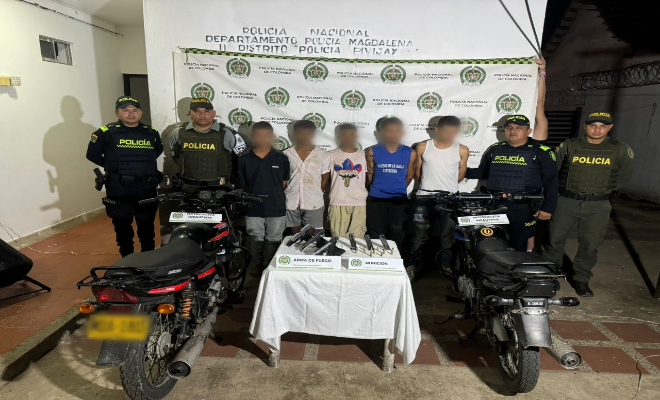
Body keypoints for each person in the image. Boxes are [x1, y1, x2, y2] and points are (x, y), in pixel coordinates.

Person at [543, 112, 633, 297]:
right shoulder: (569, 145)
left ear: (610, 127)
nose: (597, 129)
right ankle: (550, 275)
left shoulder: (620, 149)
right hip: (566, 201)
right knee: (554, 240)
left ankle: (581, 279)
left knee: (590, 244)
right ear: (585, 126)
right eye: (593, 125)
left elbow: (624, 177)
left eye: (603, 126)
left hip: (598, 205)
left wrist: (602, 191)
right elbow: (553, 172)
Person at [465, 115, 558, 252]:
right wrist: (456, 170)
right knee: (492, 242)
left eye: (518, 128)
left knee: (519, 245)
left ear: (528, 131)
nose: (512, 131)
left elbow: (551, 181)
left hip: (522, 207)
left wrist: (548, 208)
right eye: (509, 127)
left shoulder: (541, 151)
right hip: (494, 204)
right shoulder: (496, 148)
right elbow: (483, 173)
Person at [86, 96, 163, 257]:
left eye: (135, 110)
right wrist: (113, 166)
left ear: (141, 112)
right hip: (119, 187)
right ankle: (127, 259)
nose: (131, 114)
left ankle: (148, 258)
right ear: (117, 113)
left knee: (147, 226)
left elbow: (156, 152)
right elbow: (92, 155)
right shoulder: (105, 132)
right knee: (122, 226)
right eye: (125, 110)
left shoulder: (151, 132)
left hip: (146, 186)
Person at [406, 116, 469, 281]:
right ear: (437, 130)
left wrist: (445, 186)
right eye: (446, 131)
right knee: (419, 235)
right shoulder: (422, 147)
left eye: (453, 132)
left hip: (450, 199)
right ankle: (412, 266)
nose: (449, 135)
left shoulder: (462, 149)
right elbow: (418, 173)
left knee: (448, 236)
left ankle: (447, 266)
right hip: (424, 198)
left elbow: (460, 177)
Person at [237, 122, 290, 276]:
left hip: (276, 205)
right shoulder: (244, 159)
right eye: (259, 136)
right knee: (255, 237)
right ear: (252, 137)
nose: (263, 139)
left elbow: (284, 183)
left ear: (272, 137)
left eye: (266, 136)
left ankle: (270, 266)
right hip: (253, 206)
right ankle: (257, 264)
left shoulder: (282, 158)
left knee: (274, 238)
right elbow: (243, 184)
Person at [169, 98, 247, 185]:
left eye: (206, 111)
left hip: (220, 187)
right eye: (196, 111)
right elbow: (175, 155)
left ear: (214, 113)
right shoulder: (178, 132)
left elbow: (243, 158)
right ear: (190, 113)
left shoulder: (227, 133)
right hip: (188, 186)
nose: (202, 115)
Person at [366, 117, 416, 250]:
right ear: (382, 132)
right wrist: (379, 188)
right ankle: (377, 258)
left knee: (397, 233)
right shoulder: (372, 151)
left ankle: (395, 259)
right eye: (389, 130)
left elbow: (409, 176)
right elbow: (370, 174)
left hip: (398, 200)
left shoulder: (410, 153)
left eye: (397, 130)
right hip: (376, 199)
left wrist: (396, 188)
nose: (393, 134)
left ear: (402, 133)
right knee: (375, 233)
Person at [284, 120, 330, 233]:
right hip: (291, 200)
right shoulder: (286, 154)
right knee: (295, 235)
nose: (304, 137)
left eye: (308, 133)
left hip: (314, 201)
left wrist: (316, 192)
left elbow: (325, 178)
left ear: (313, 134)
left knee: (311, 236)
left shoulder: (323, 154)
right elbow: (283, 179)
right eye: (301, 133)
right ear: (295, 134)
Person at [327, 124, 368, 238]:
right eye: (344, 135)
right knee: (338, 238)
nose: (348, 138)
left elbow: (369, 178)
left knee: (357, 239)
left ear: (356, 137)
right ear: (339, 137)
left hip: (358, 202)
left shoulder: (364, 156)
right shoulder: (330, 155)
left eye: (351, 135)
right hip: (337, 201)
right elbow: (325, 178)